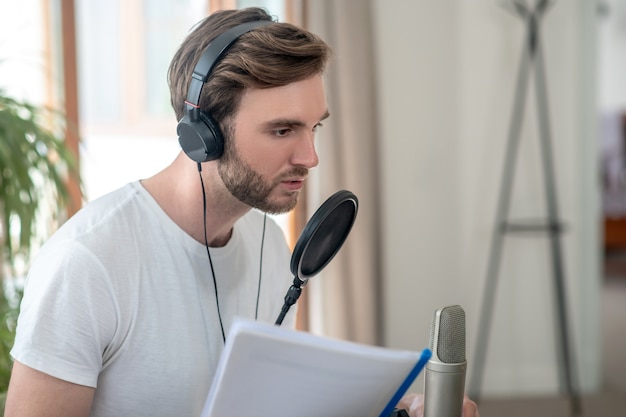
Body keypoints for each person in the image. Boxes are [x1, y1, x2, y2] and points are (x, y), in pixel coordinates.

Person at [4, 7, 479, 417]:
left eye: (314, 127)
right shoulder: (88, 263)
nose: (310, 157)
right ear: (203, 132)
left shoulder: (269, 246)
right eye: (282, 130)